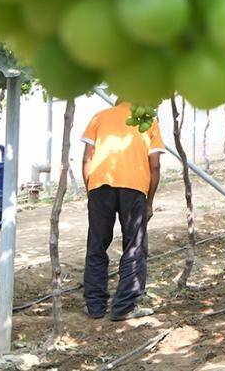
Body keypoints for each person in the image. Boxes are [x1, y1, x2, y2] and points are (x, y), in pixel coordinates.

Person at [81, 101, 165, 321]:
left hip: (100, 185)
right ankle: (124, 307)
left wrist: (91, 192)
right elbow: (154, 165)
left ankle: (95, 307)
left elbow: (87, 159)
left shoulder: (99, 116)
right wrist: (149, 201)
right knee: (134, 246)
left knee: (97, 246)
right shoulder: (148, 121)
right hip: (134, 187)